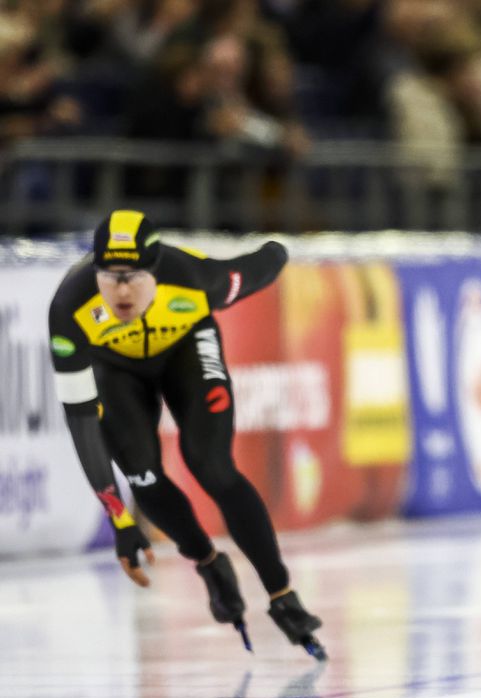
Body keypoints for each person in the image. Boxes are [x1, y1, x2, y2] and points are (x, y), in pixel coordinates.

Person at [48, 210, 325, 660]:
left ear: (155, 270)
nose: (120, 291)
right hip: (115, 367)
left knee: (212, 466)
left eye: (133, 276)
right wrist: (119, 519)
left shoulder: (197, 279)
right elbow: (81, 423)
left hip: (186, 349)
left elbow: (262, 266)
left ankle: (282, 594)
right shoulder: (69, 309)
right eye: (110, 276)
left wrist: (278, 248)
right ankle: (208, 563)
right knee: (141, 474)